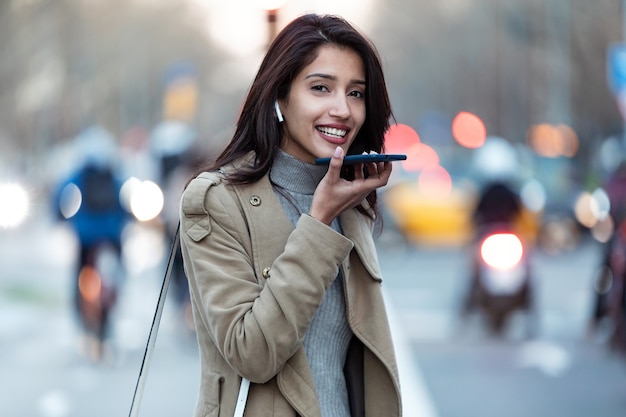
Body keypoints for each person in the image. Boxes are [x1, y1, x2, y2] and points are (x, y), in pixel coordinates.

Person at [179, 13, 402, 417]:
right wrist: (317, 222)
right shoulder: (217, 201)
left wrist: (335, 208)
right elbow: (252, 353)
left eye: (356, 93)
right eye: (321, 88)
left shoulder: (351, 201)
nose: (343, 110)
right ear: (281, 97)